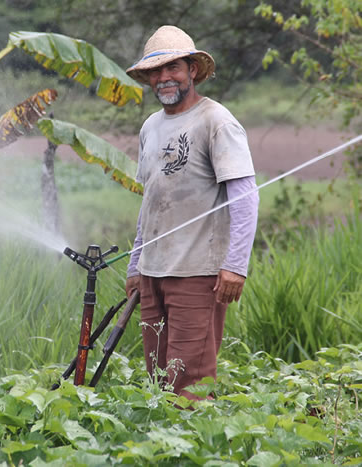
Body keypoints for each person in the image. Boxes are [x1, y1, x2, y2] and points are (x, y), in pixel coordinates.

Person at [124, 25, 259, 401]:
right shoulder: (150, 126)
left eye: (173, 68)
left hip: (198, 274)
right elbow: (151, 201)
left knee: (190, 381)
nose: (164, 77)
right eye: (156, 71)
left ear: (192, 70)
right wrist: (136, 265)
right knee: (157, 377)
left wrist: (235, 265)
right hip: (153, 272)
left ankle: (195, 439)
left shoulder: (216, 121)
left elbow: (245, 199)